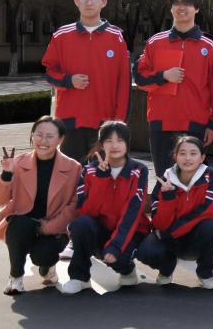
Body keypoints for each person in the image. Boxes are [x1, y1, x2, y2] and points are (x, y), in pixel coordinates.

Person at [135, 0, 213, 176]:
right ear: (171, 8)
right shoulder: (155, 42)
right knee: (165, 179)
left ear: (196, 9)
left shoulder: (208, 47)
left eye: (188, 4)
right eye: (177, 3)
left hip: (195, 122)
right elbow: (140, 78)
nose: (181, 8)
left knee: (193, 181)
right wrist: (163, 76)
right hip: (162, 121)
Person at [42, 0, 130, 162]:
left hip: (104, 122)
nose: (89, 2)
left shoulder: (116, 37)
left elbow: (124, 84)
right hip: (70, 121)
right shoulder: (62, 36)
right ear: (76, 1)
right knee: (70, 174)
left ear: (103, 2)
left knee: (102, 174)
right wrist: (68, 81)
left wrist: (118, 123)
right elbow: (49, 73)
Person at [0, 117, 81, 295]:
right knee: (18, 223)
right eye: (38, 135)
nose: (43, 141)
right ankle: (15, 277)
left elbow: (73, 207)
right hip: (23, 224)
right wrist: (6, 175)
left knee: (43, 255)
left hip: (53, 228)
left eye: (49, 136)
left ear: (60, 139)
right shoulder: (17, 163)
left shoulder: (73, 167)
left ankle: (47, 267)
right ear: (32, 136)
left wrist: (47, 227)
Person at [59, 121, 150, 294]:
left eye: (120, 140)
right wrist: (101, 180)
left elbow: (132, 212)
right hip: (101, 228)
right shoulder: (89, 171)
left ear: (128, 143)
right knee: (81, 224)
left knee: (119, 258)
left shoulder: (139, 170)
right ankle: (79, 277)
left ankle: (128, 270)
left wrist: (116, 245)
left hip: (131, 231)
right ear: (101, 144)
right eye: (109, 141)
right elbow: (85, 211)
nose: (114, 145)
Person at [137, 136, 213, 289]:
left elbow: (205, 212)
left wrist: (171, 232)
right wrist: (168, 197)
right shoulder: (165, 179)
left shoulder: (210, 176)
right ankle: (166, 269)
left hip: (191, 235)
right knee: (145, 251)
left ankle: (205, 272)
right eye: (182, 153)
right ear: (175, 156)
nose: (187, 158)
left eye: (193, 153)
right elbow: (160, 223)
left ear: (202, 157)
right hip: (170, 237)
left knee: (210, 227)